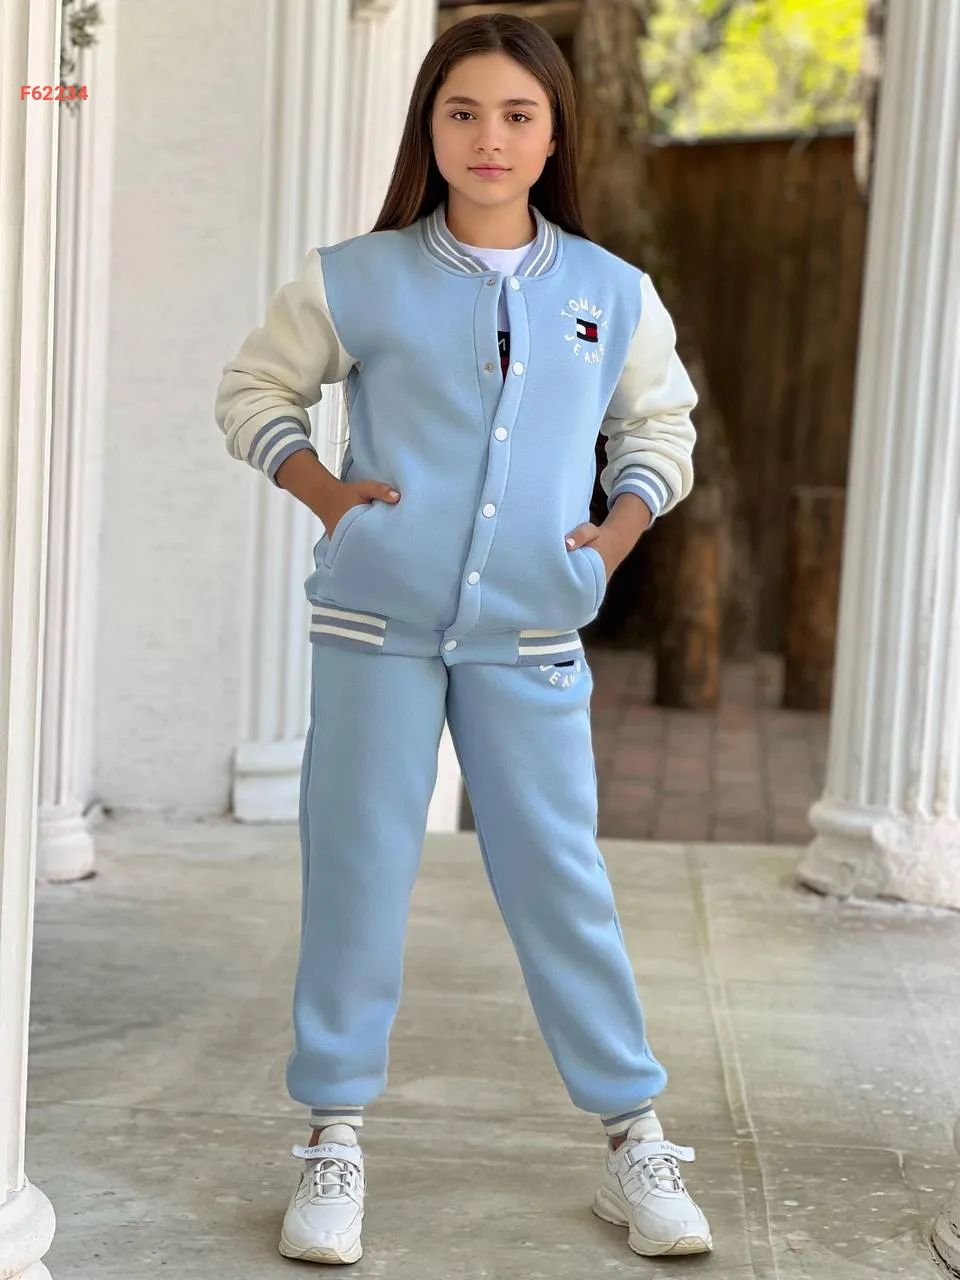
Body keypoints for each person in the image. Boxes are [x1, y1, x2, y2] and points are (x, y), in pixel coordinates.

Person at [214, 11, 710, 1266]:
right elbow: (254, 388)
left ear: (554, 137)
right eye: (464, 112)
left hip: (530, 631)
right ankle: (333, 1137)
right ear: (429, 129)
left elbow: (662, 430)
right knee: (358, 870)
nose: (491, 137)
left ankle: (634, 1135)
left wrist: (610, 538)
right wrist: (328, 495)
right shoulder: (357, 275)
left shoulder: (611, 292)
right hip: (373, 626)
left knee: (560, 879)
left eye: (518, 115)